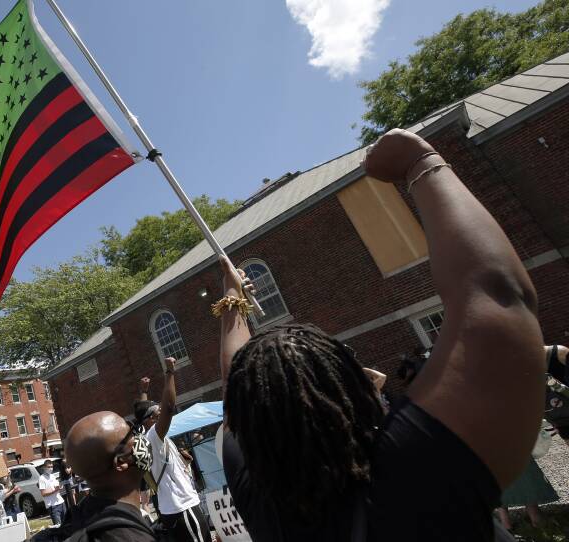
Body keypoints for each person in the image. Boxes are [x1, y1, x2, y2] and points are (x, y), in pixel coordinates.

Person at [217, 128, 544, 541]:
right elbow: (496, 295)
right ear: (353, 387)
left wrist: (231, 296)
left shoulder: (258, 496)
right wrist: (421, 162)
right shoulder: (416, 469)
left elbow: (235, 384)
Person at [33, 411, 155, 541]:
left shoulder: (79, 517)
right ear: (121, 462)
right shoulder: (132, 537)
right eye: (131, 432)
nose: (139, 437)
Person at [136, 358, 212, 542]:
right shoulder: (153, 436)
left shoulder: (145, 438)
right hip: (183, 508)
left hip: (173, 509)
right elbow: (169, 407)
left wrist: (144, 393)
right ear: (149, 421)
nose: (161, 413)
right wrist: (170, 372)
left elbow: (143, 412)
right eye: (157, 413)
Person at [39, 459, 67, 526]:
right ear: (44, 467)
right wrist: (54, 491)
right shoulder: (42, 478)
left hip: (61, 502)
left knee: (66, 523)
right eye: (49, 467)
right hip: (52, 506)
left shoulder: (53, 476)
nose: (51, 468)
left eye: (51, 467)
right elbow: (43, 493)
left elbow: (56, 486)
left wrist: (60, 487)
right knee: (58, 526)